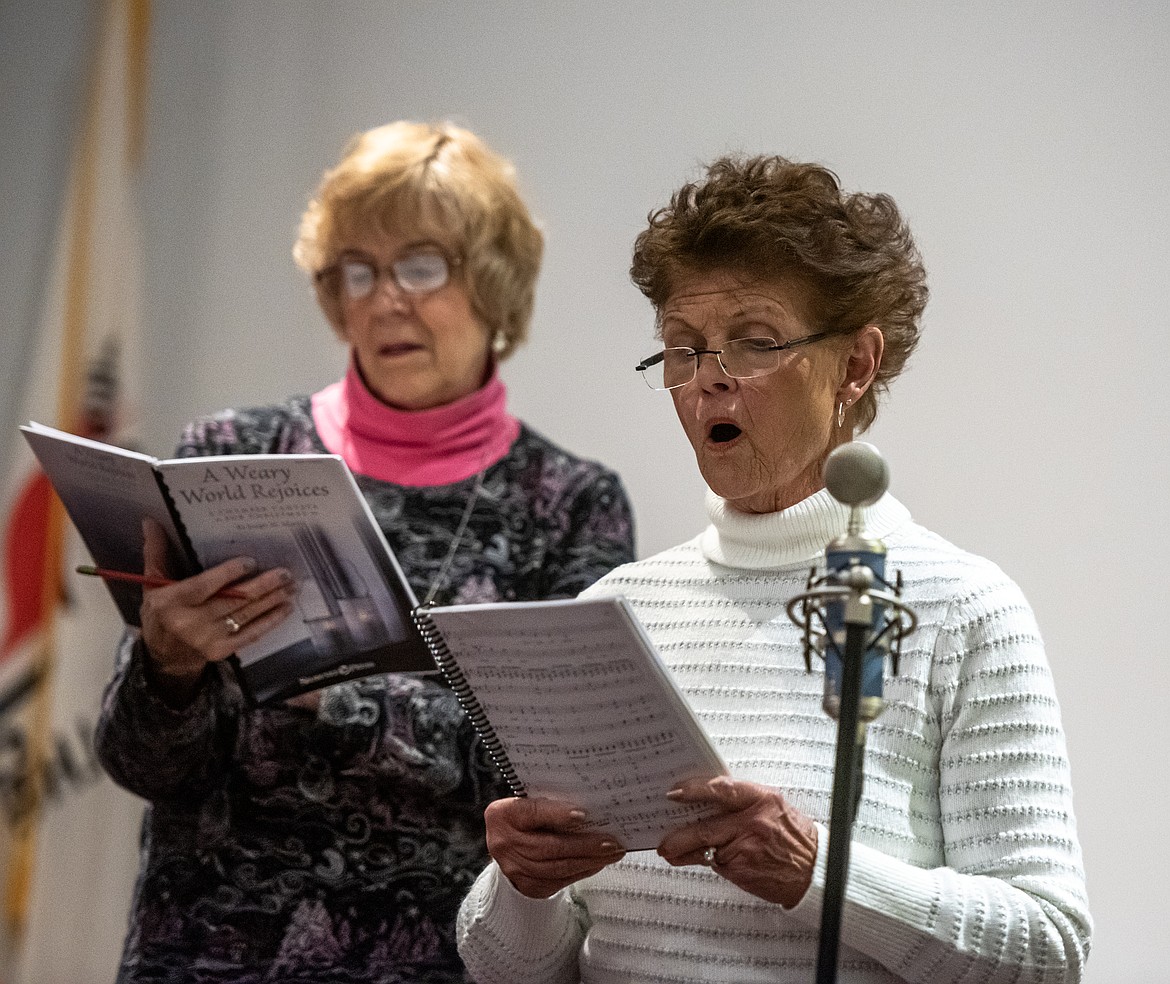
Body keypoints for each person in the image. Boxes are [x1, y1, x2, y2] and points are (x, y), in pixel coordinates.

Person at [456, 155, 1092, 983]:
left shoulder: (962, 609)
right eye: (683, 350)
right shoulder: (618, 609)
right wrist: (522, 887)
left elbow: (1048, 952)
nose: (708, 380)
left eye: (753, 343)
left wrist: (815, 874)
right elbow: (505, 970)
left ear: (855, 365)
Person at [94, 121, 635, 984]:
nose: (385, 299)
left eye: (421, 265)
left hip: (438, 956)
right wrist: (167, 666)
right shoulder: (230, 454)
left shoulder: (568, 503)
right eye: (358, 270)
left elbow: (552, 784)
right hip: (204, 952)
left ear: (492, 283)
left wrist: (334, 697)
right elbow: (138, 763)